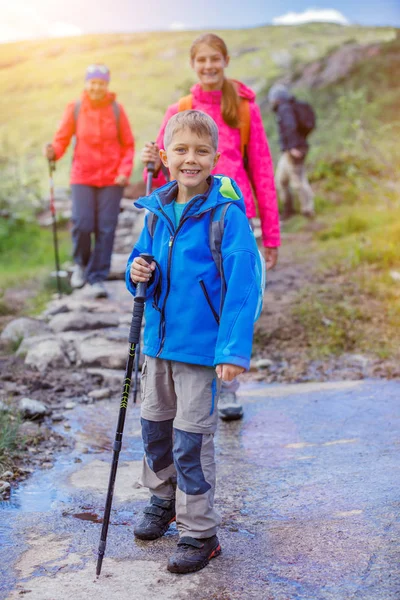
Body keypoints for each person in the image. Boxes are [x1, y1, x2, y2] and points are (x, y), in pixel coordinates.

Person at [126, 110, 259, 574]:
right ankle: (163, 501)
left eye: (201, 151)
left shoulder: (225, 215)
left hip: (200, 351)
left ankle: (200, 531)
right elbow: (140, 266)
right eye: (180, 150)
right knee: (155, 430)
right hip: (157, 346)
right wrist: (135, 272)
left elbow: (245, 285)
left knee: (191, 440)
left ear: (215, 158)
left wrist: (232, 350)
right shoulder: (156, 210)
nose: (190, 159)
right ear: (165, 156)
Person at [141, 33, 280, 421]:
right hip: (189, 218)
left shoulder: (244, 109)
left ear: (226, 60)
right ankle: (193, 383)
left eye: (214, 59)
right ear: (193, 65)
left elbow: (263, 171)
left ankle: (228, 384)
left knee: (236, 298)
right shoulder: (179, 110)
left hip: (236, 214)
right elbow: (164, 175)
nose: (208, 66)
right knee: (197, 297)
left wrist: (271, 235)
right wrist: (152, 163)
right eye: (200, 60)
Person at [44, 64, 134, 298]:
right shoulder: (75, 108)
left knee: (106, 228)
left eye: (101, 83)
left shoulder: (117, 109)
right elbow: (62, 139)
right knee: (83, 224)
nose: (96, 87)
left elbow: (128, 144)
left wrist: (125, 170)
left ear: (107, 85)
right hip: (82, 175)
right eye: (93, 82)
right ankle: (81, 265)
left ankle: (97, 278)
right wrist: (53, 151)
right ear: (87, 83)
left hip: (112, 178)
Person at [268, 83, 315, 219]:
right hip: (290, 149)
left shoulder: (285, 109)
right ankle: (289, 210)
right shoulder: (288, 107)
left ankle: (308, 210)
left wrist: (292, 147)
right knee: (281, 180)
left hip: (294, 149)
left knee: (298, 181)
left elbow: (290, 127)